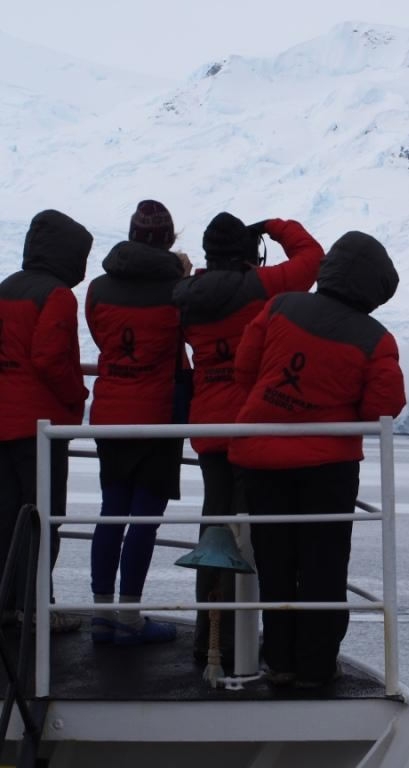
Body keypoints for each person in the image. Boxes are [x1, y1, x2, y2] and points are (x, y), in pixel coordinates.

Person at [228, 231, 406, 687]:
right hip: (327, 468)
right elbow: (381, 407)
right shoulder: (376, 339)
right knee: (324, 566)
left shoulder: (281, 306)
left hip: (261, 457)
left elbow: (245, 367)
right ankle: (316, 665)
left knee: (276, 562)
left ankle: (281, 661)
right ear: (376, 287)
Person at [172, 212, 322, 665]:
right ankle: (238, 643)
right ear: (245, 250)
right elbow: (314, 258)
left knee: (214, 531)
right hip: (252, 426)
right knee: (251, 536)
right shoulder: (263, 287)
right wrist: (275, 225)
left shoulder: (185, 297)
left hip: (209, 428)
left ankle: (209, 636)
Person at [86, 200, 190, 645]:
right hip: (159, 414)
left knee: (112, 511)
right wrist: (183, 277)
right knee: (145, 516)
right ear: (168, 239)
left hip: (111, 412)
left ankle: (102, 613)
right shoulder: (177, 291)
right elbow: (189, 332)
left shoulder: (98, 289)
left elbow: (98, 333)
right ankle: (129, 615)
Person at [0, 210, 92, 634]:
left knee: (5, 518)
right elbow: (51, 358)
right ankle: (36, 609)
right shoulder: (56, 295)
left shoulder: (6, 288)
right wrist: (78, 396)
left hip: (2, 422)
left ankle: (6, 606)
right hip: (38, 427)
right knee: (43, 517)